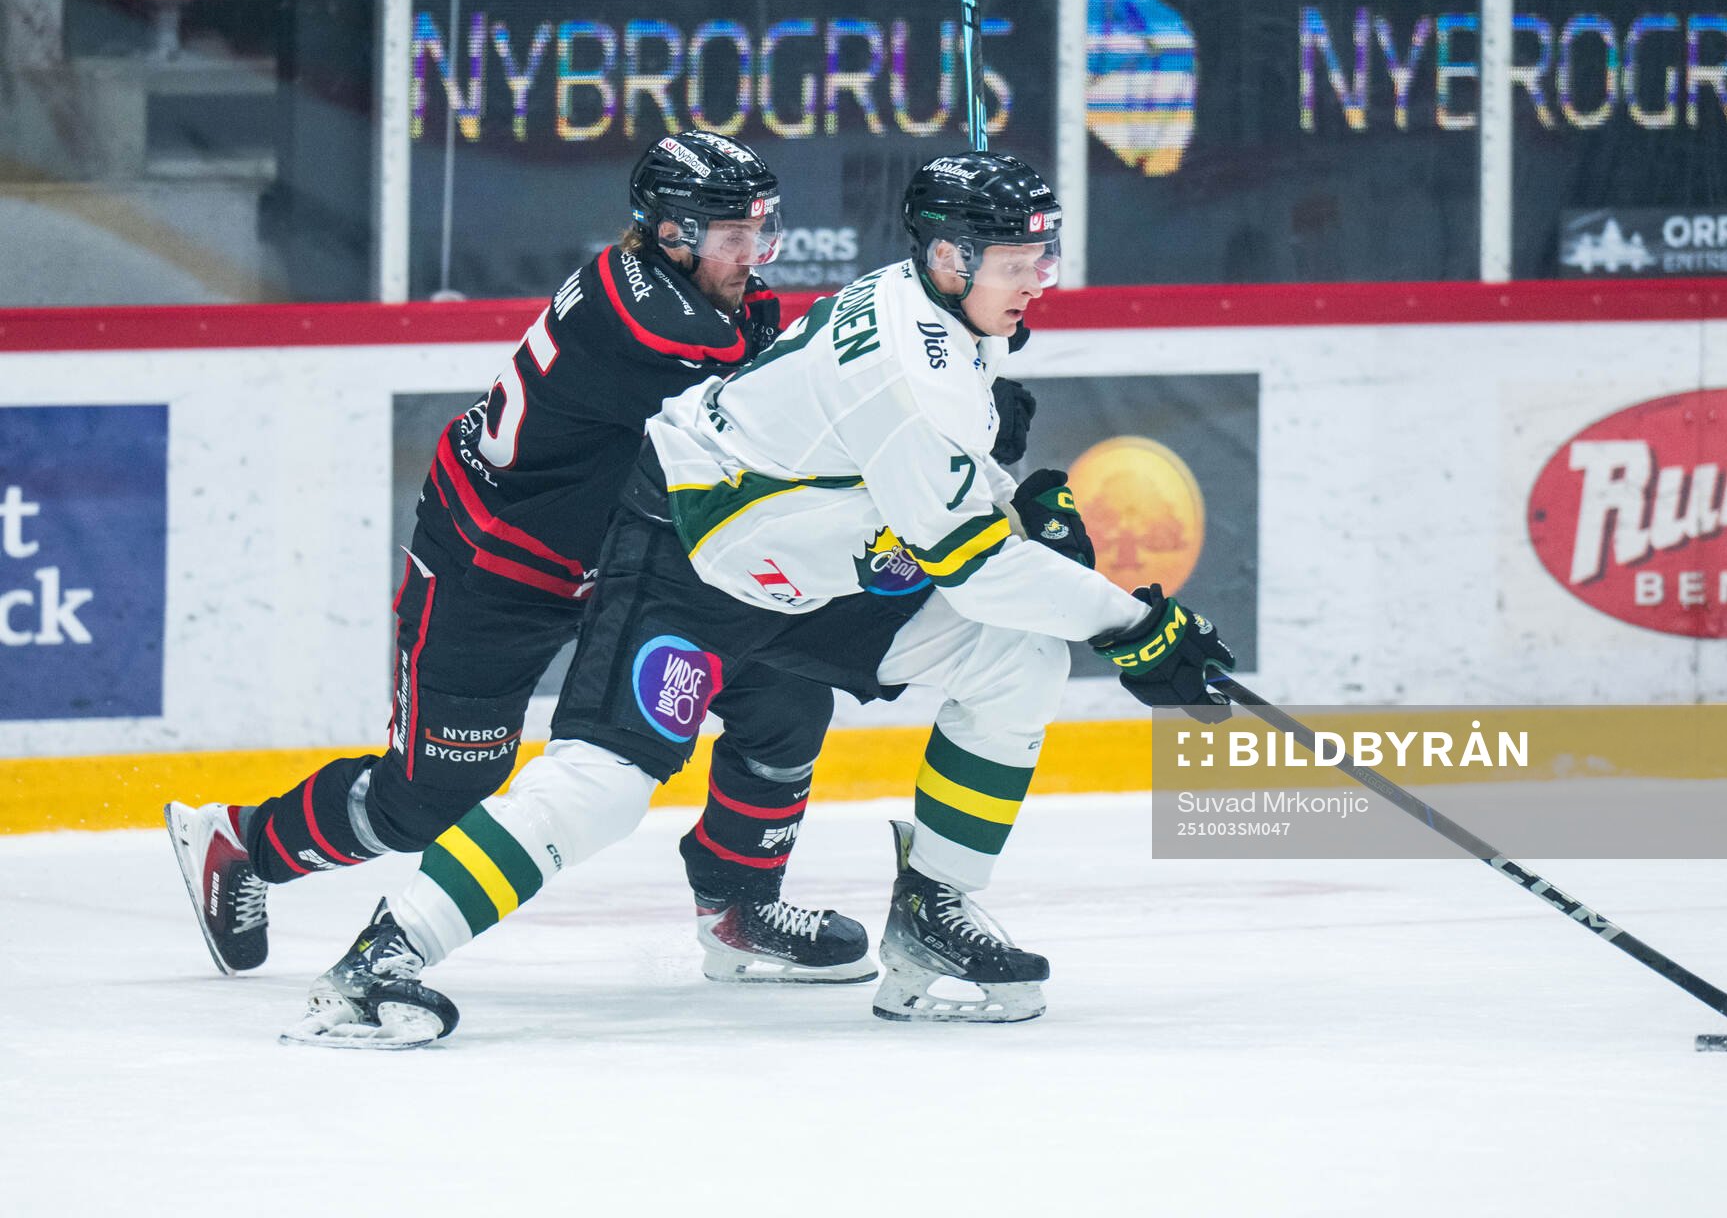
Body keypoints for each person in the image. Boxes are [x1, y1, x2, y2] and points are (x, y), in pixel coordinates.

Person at [282, 150, 1232, 1048]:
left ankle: (930, 914)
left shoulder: (931, 309)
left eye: (1044, 256)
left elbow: (935, 492)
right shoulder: (905, 372)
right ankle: (376, 963)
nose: (1040, 282)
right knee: (604, 786)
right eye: (1022, 262)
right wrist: (1134, 625)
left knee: (1011, 660)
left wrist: (1002, 490)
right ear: (951, 256)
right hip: (691, 558)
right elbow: (974, 567)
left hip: (801, 566)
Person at [164, 131, 884, 988]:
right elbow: (794, 408)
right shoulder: (653, 320)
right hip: (493, 569)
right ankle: (242, 845)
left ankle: (739, 910)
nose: (753, 254)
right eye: (732, 235)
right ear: (667, 233)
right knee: (433, 796)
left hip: (629, 565)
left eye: (760, 229)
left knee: (786, 693)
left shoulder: (715, 302)